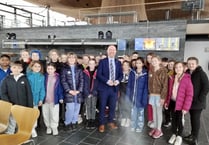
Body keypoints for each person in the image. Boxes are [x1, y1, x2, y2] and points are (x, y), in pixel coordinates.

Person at [1, 61, 33, 134]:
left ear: (21, 69)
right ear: (11, 68)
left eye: (19, 68)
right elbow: (3, 93)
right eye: (14, 67)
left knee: (22, 122)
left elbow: (29, 93)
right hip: (12, 106)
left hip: (23, 106)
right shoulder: (6, 79)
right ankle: (10, 136)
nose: (16, 69)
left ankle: (20, 136)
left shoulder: (25, 79)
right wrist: (9, 104)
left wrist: (30, 106)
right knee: (12, 121)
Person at [165, 62, 193, 145]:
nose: (178, 69)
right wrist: (167, 101)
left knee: (180, 121)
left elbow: (189, 95)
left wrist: (185, 108)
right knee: (173, 120)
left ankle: (179, 136)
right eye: (176, 67)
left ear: (184, 68)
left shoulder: (187, 79)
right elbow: (169, 92)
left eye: (180, 67)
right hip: (173, 102)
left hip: (181, 104)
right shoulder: (172, 77)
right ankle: (174, 134)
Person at [96, 45, 123, 133]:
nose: (112, 51)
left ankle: (110, 122)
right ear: (107, 51)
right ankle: (101, 124)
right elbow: (99, 75)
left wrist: (117, 81)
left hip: (114, 88)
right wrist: (107, 81)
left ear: (115, 52)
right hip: (104, 88)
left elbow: (121, 75)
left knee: (112, 106)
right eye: (110, 50)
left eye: (113, 50)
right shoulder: (102, 62)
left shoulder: (118, 62)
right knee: (102, 106)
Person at [184, 57, 209, 145]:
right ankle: (192, 134)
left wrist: (200, 98)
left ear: (197, 64)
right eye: (189, 63)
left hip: (198, 102)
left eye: (192, 64)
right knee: (192, 119)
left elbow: (206, 87)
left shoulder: (201, 73)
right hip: (190, 100)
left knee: (195, 119)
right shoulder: (187, 72)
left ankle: (195, 138)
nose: (190, 65)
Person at [60, 52, 84, 131]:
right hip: (69, 93)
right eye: (70, 57)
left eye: (73, 57)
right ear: (67, 59)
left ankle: (74, 122)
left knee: (76, 108)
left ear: (76, 59)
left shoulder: (79, 69)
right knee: (70, 108)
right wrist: (69, 91)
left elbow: (82, 80)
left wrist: (79, 90)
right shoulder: (64, 69)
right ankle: (67, 123)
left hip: (78, 93)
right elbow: (63, 81)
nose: (71, 59)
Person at [148, 55, 168, 139]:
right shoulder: (151, 70)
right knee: (154, 112)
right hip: (152, 95)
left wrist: (163, 97)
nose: (153, 62)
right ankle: (155, 127)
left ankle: (159, 130)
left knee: (159, 112)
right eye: (152, 61)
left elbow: (165, 85)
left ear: (159, 61)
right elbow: (149, 83)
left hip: (159, 95)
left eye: (155, 61)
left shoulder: (163, 71)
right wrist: (149, 93)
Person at [126, 57, 148, 132]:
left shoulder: (145, 74)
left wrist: (144, 99)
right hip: (133, 97)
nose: (138, 64)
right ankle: (133, 125)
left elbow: (146, 88)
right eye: (137, 63)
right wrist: (128, 96)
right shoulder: (132, 73)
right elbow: (129, 85)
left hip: (141, 97)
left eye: (139, 63)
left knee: (140, 113)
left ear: (142, 64)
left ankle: (139, 126)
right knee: (133, 113)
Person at [42, 63, 64, 136]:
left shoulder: (57, 77)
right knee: (46, 114)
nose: (50, 70)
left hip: (54, 99)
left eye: (51, 69)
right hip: (45, 100)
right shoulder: (44, 77)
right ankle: (48, 127)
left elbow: (60, 88)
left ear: (54, 69)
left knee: (54, 115)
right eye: (48, 69)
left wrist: (61, 97)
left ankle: (54, 127)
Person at [27, 60, 45, 138]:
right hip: (28, 99)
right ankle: (29, 129)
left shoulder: (42, 76)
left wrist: (41, 99)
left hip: (37, 99)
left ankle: (33, 128)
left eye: (39, 66)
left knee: (35, 114)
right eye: (35, 66)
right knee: (28, 115)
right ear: (31, 67)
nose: (37, 68)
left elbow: (42, 89)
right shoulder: (27, 76)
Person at [83, 59, 98, 129]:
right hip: (87, 92)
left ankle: (93, 119)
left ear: (95, 64)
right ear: (88, 64)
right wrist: (87, 92)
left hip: (94, 93)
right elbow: (84, 83)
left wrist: (95, 92)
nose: (91, 65)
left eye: (93, 63)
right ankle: (88, 120)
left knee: (93, 106)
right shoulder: (85, 72)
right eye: (90, 63)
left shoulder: (97, 72)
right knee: (88, 106)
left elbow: (98, 84)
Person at [119, 60, 131, 127]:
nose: (125, 66)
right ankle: (124, 118)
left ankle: (128, 119)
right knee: (122, 105)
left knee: (128, 106)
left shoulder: (132, 74)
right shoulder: (120, 73)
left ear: (129, 66)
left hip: (129, 93)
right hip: (121, 92)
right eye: (124, 65)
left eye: (127, 65)